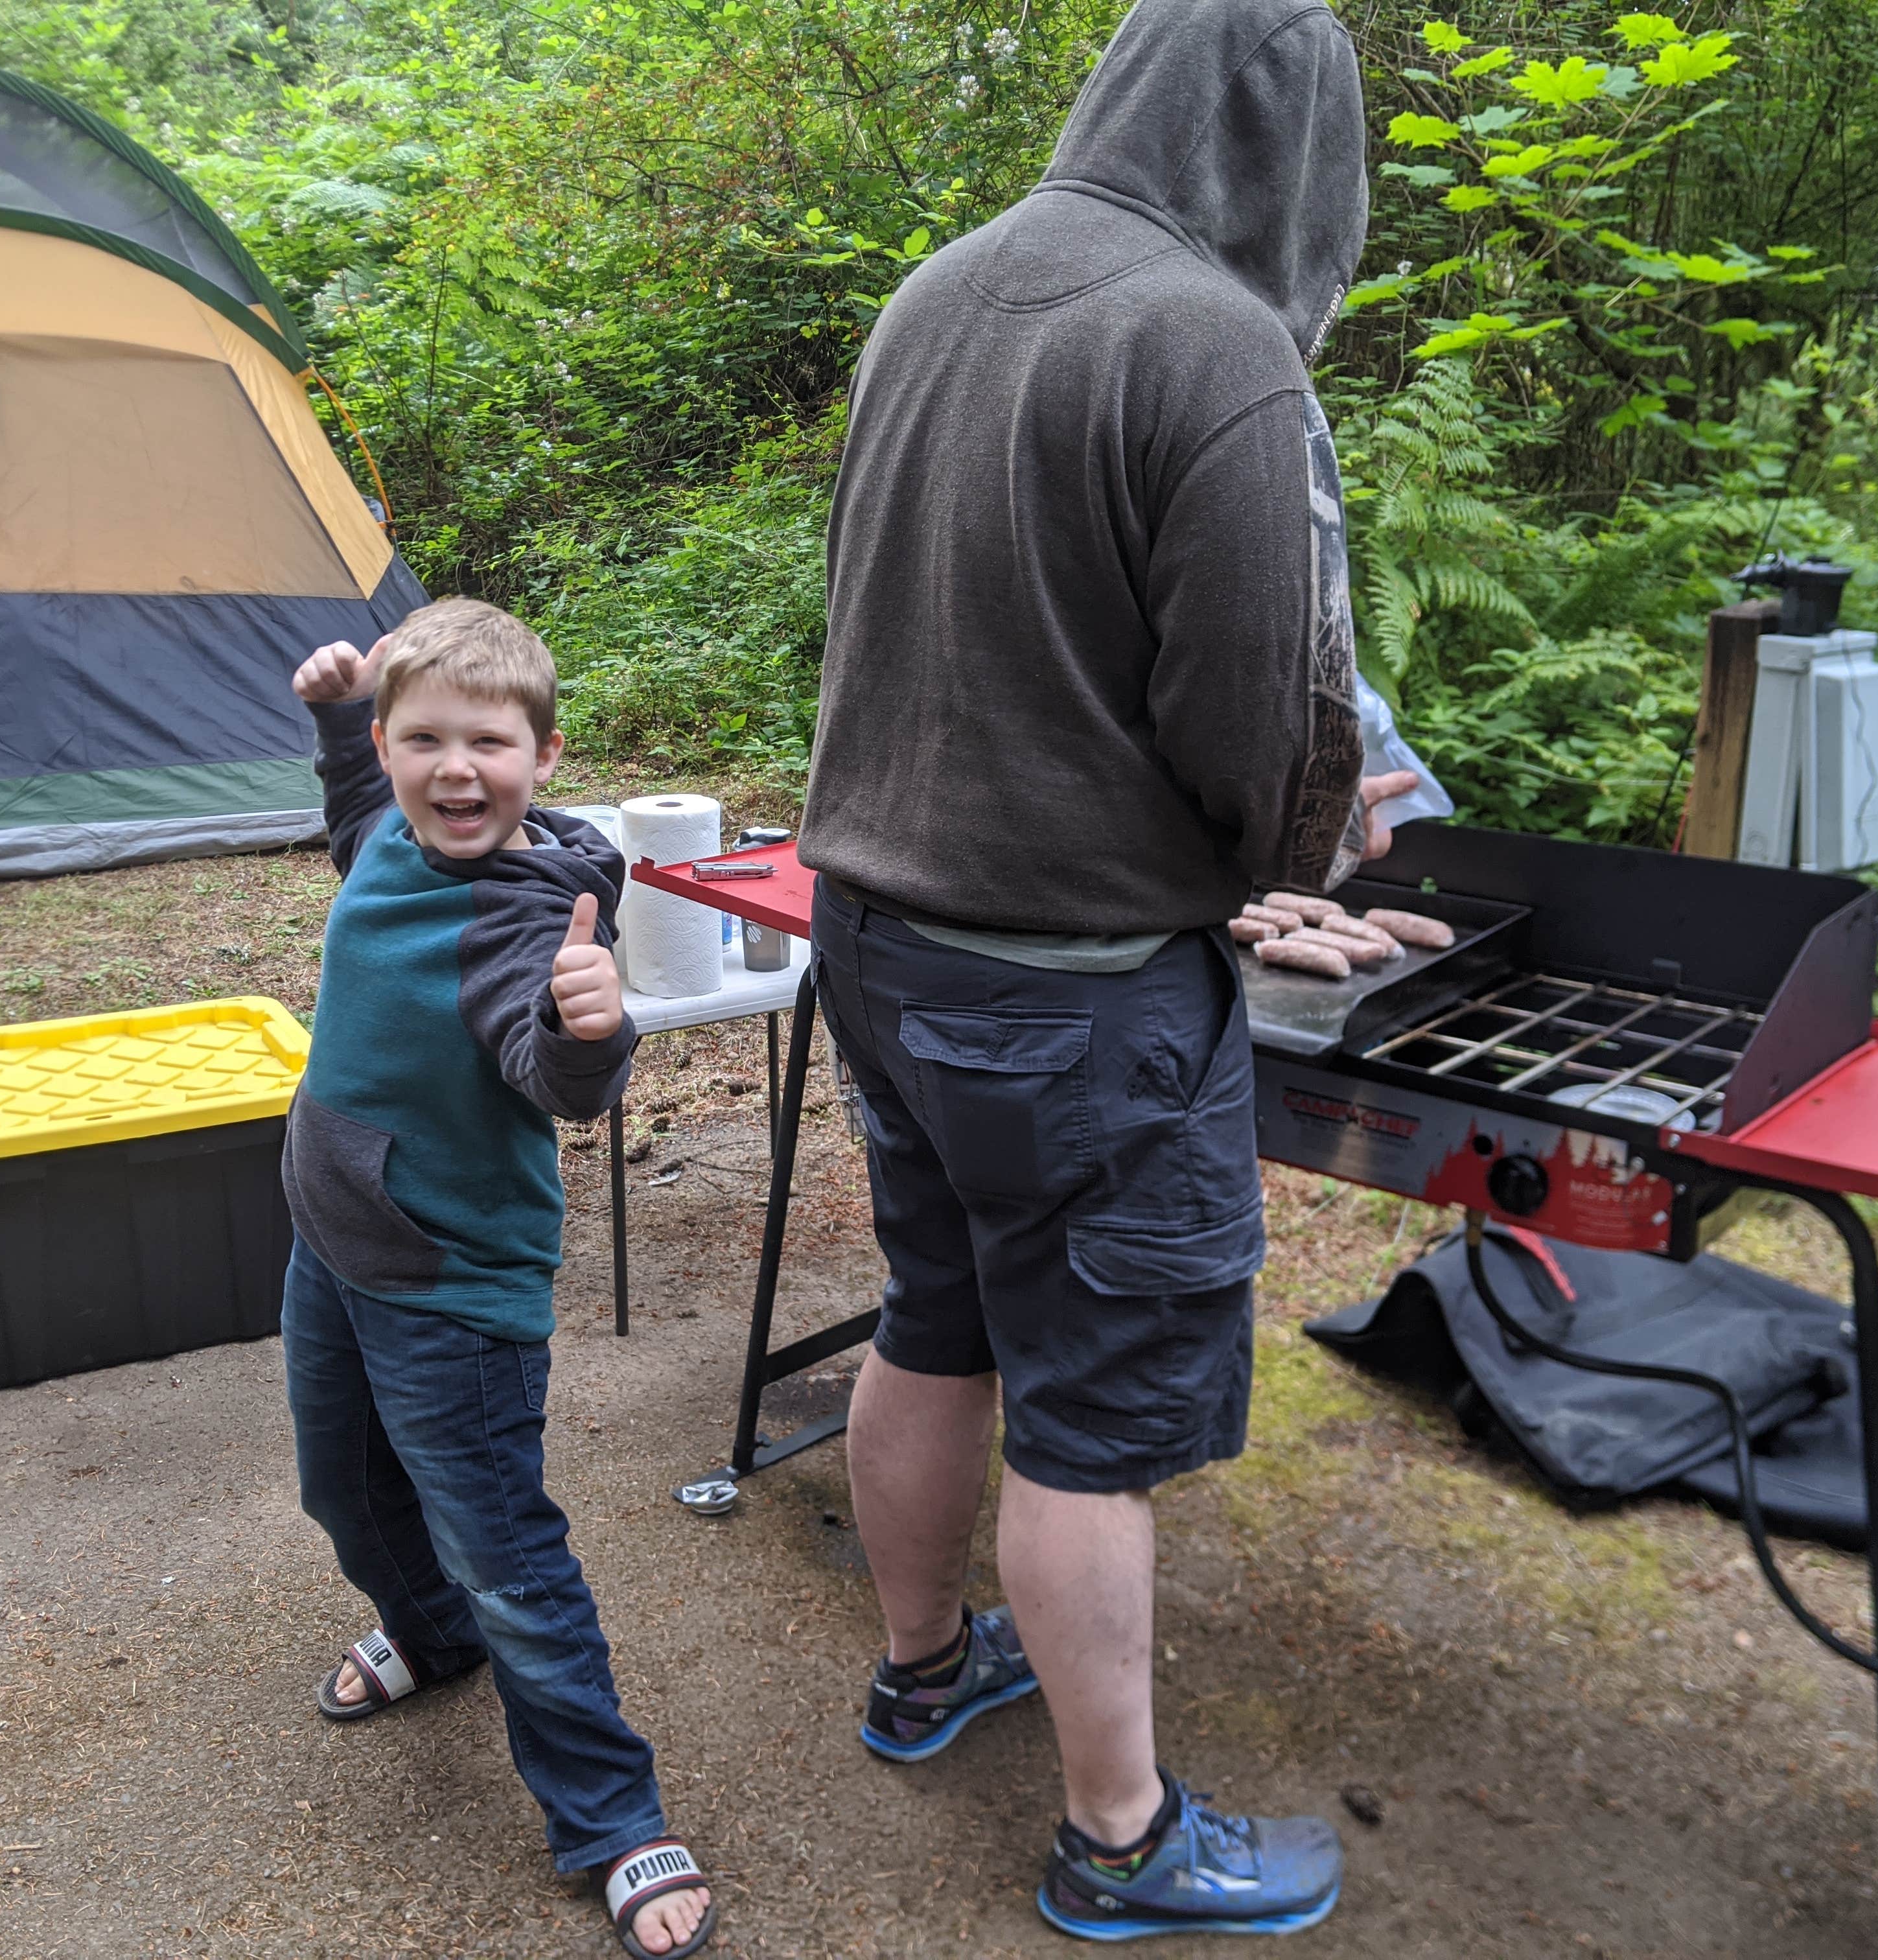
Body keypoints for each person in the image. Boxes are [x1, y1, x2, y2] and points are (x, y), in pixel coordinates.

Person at [798, 0, 1409, 1941]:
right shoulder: (1215, 349)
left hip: (878, 940)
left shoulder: (940, 287)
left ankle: (922, 1667)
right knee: (1093, 1426)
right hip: (1067, 998)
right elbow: (1260, 712)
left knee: (935, 1314)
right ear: (1296, 149)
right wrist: (1308, 851)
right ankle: (1122, 1841)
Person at [283, 599, 714, 1960]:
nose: (454, 769)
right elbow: (358, 810)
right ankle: (429, 1632)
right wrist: (336, 723)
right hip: (333, 1243)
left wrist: (589, 1031)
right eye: (424, 740)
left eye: (489, 743)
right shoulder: (390, 837)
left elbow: (550, 1073)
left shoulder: (525, 918)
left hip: (452, 1291)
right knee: (339, 1487)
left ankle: (611, 1813)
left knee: (507, 1557)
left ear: (545, 754)